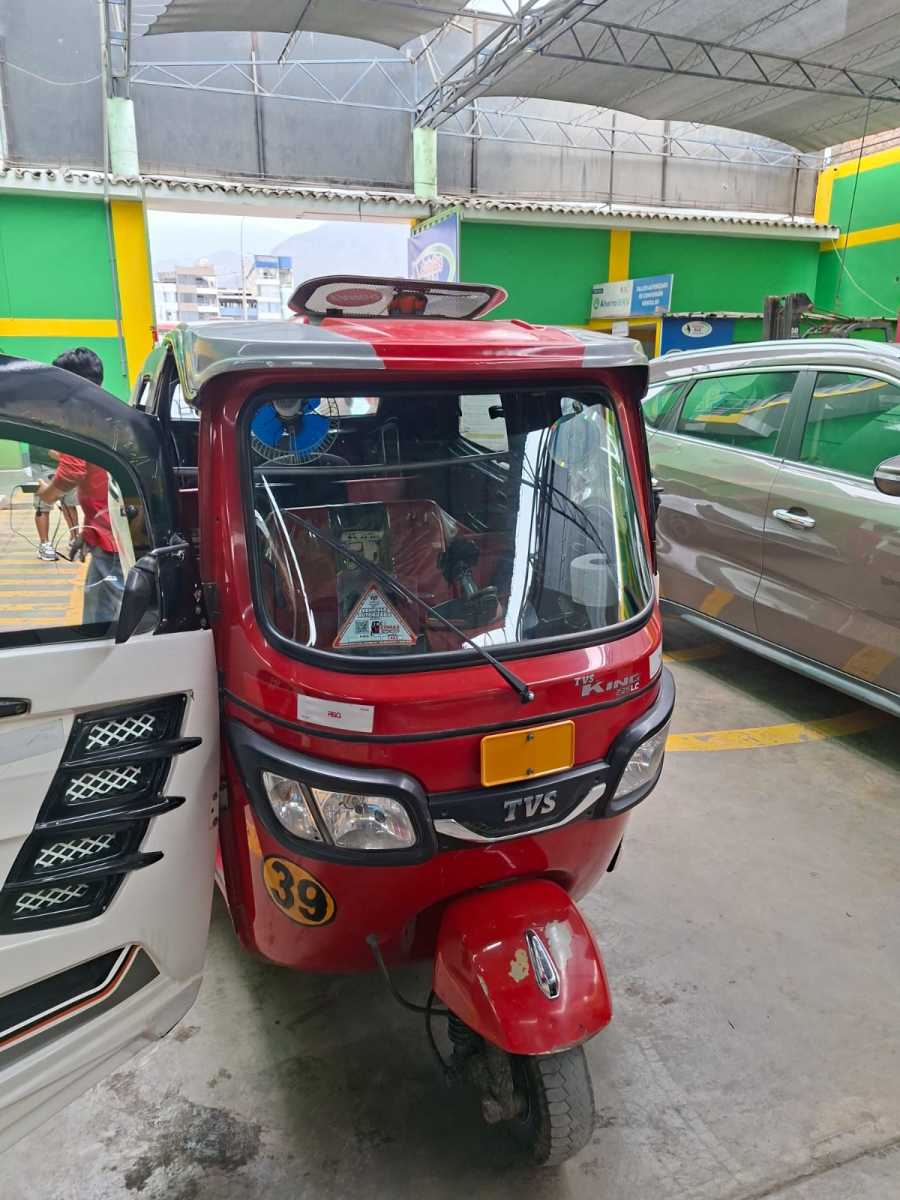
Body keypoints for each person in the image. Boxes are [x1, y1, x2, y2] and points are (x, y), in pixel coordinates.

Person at [36, 348, 124, 624]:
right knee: (99, 606)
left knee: (116, 613)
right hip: (110, 526)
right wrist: (88, 532)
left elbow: (73, 471)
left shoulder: (77, 415)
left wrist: (46, 495)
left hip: (113, 534)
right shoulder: (107, 410)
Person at [28, 441, 78, 561]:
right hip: (43, 462)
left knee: (69, 503)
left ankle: (74, 539)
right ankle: (44, 544)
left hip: (68, 464)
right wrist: (48, 452)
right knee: (43, 506)